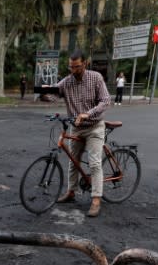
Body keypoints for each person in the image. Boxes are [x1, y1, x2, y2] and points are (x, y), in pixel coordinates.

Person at [47, 49, 111, 217]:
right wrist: (44, 92)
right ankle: (71, 192)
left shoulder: (95, 78)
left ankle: (96, 199)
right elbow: (53, 95)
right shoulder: (67, 82)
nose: (73, 71)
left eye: (76, 67)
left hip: (94, 127)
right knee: (73, 161)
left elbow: (106, 101)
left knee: (95, 163)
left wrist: (87, 114)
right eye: (70, 67)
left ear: (85, 64)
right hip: (76, 127)